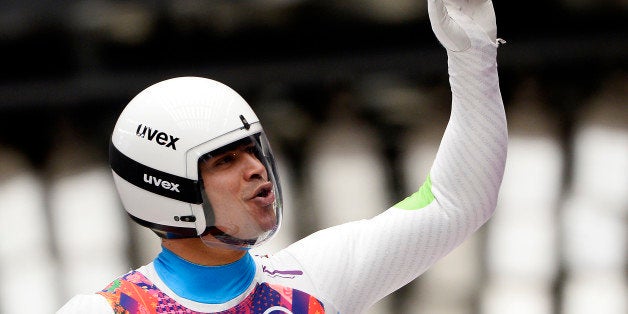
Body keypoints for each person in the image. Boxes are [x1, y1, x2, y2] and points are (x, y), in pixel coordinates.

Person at [57, 0, 507, 313]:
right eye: (224, 161)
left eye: (253, 149)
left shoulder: (312, 280)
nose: (256, 168)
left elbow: (456, 203)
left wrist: (473, 56)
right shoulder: (106, 310)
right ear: (169, 193)